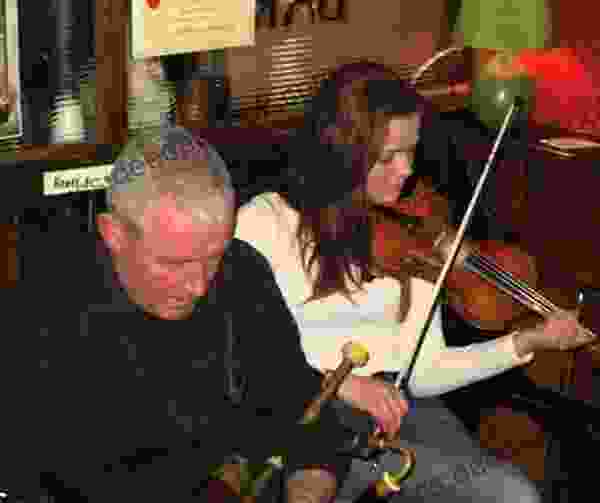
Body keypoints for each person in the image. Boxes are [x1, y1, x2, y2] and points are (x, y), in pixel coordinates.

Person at [234, 61, 594, 502]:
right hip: (309, 415)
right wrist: (343, 384)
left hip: (400, 411)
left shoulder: (412, 231)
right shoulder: (266, 222)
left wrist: (525, 343)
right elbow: (241, 350)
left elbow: (424, 373)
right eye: (388, 157)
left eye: (411, 151)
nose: (406, 170)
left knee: (513, 494)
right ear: (341, 149)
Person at [0, 126, 358, 502]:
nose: (199, 287)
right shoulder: (42, 318)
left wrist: (307, 492)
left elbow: (302, 414)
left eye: (213, 258)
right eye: (174, 264)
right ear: (113, 233)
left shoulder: (241, 274)